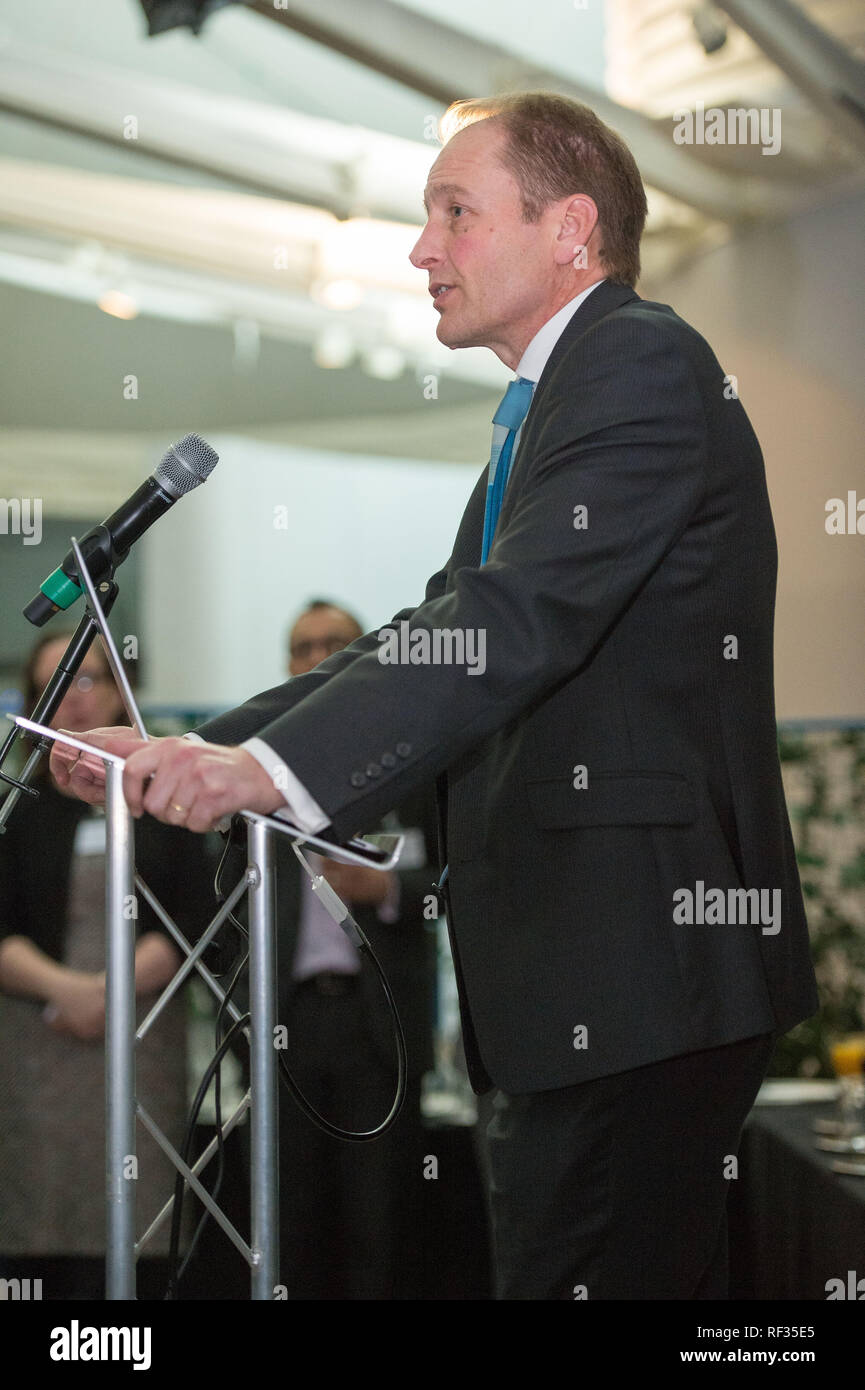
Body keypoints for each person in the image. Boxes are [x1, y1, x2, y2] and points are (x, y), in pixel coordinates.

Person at [52, 92, 819, 1300]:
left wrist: (269, 775)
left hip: (634, 972)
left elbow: (513, 624)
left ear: (571, 229)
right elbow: (423, 638)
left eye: (455, 213)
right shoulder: (547, 409)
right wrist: (198, 745)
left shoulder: (637, 360)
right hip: (589, 983)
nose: (421, 247)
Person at [231, 599, 439, 1298]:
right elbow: (224, 913)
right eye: (302, 646)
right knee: (286, 1230)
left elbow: (454, 880)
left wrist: (382, 889)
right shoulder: (252, 774)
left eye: (335, 644)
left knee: (380, 1231)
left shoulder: (411, 758)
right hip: (283, 1029)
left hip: (377, 1030)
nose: (317, 656)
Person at [0, 633, 213, 1299]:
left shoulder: (167, 803)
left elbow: (192, 921)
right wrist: (69, 991)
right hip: (38, 1043)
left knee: (139, 1225)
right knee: (42, 1228)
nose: (74, 698)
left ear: (124, 689)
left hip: (142, 1038)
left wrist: (108, 994)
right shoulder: (15, 808)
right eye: (56, 686)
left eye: (89, 677)